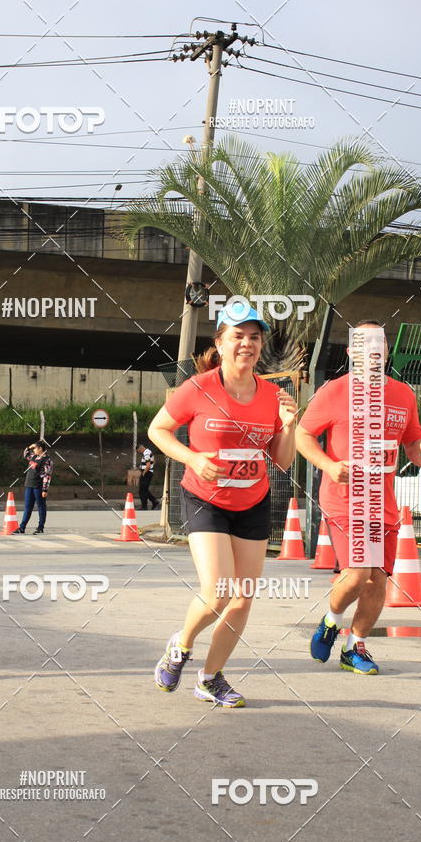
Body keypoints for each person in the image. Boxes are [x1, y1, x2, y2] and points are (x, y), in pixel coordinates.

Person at [148, 301, 298, 707]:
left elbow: (281, 460)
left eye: (254, 337)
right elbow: (158, 429)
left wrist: (288, 425)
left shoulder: (272, 395)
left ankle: (210, 678)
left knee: (243, 596)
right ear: (221, 342)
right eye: (238, 336)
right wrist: (193, 458)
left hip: (252, 500)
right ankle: (180, 646)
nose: (246, 344)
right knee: (218, 592)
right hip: (205, 498)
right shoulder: (198, 388)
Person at [296, 320, 421, 675]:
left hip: (383, 504)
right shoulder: (334, 391)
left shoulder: (403, 394)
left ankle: (354, 646)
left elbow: (412, 440)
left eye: (380, 345)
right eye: (365, 346)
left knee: (378, 580)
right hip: (345, 499)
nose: (374, 352)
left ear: (386, 351)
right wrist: (329, 465)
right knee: (359, 573)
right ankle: (331, 620)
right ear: (352, 353)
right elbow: (303, 436)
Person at [12, 442, 53, 534]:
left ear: (40, 449)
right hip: (29, 485)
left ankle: (40, 527)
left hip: (38, 486)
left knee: (41, 506)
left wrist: (45, 489)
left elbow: (47, 475)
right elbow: (25, 454)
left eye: (35, 448)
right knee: (27, 507)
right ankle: (22, 528)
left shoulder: (47, 460)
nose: (33, 450)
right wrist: (30, 446)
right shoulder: (34, 457)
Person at [137, 443, 159, 510]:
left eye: (138, 451)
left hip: (146, 473)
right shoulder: (149, 452)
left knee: (142, 490)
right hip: (148, 472)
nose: (139, 452)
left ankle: (145, 505)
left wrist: (144, 472)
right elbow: (154, 461)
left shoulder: (146, 453)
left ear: (140, 448)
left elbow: (148, 465)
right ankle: (153, 502)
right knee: (144, 489)